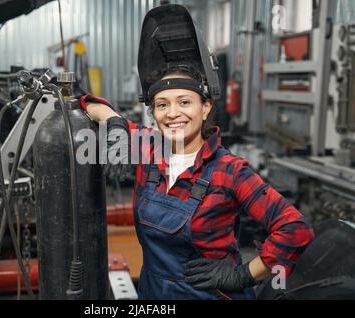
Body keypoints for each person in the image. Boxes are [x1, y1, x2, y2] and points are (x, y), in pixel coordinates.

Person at [79, 4, 315, 300]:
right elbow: (85, 102)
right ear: (153, 112)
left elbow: (295, 230)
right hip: (155, 293)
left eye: (184, 102)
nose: (172, 113)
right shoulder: (148, 148)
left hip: (210, 295)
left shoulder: (229, 171)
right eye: (162, 105)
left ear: (205, 108)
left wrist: (244, 273)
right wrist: (113, 121)